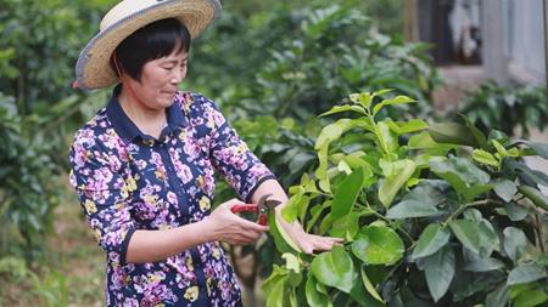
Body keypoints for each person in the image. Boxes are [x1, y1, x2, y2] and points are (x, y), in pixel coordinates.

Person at [69, 0, 343, 306]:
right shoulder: (96, 143)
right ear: (124, 66)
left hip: (218, 294)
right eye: (167, 66)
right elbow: (120, 242)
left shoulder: (196, 112)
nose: (178, 77)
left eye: (183, 63)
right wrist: (208, 230)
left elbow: (249, 171)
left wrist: (290, 223)